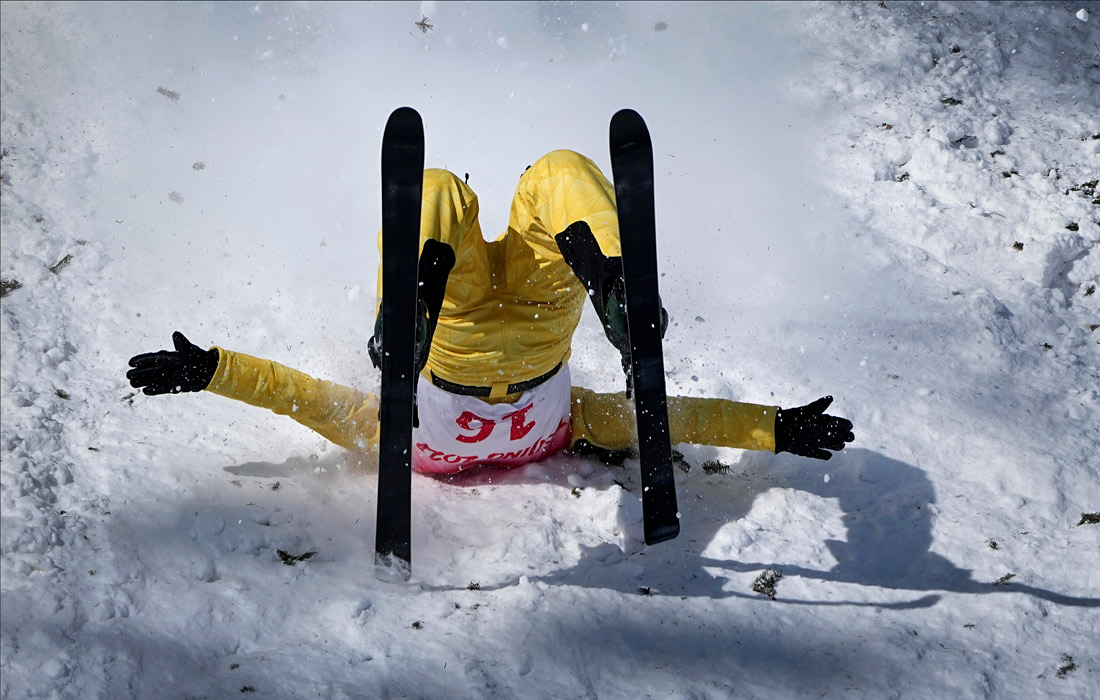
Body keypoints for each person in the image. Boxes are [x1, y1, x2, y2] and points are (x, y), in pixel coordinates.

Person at [126, 150, 853, 475]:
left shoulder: (398, 437)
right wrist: (774, 427)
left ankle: (428, 293)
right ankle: (610, 281)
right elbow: (670, 420)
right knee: (554, 174)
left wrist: (213, 370)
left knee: (442, 188)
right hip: (542, 312)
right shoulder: (568, 430)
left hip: (454, 318)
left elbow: (302, 401)